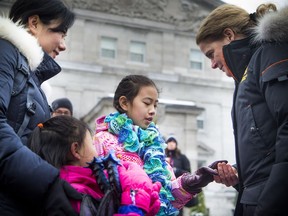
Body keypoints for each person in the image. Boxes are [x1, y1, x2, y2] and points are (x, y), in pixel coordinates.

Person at [196, 3, 288, 216]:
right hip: (255, 199)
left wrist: (268, 206)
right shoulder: (246, 75)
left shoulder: (270, 54)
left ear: (229, 35)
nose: (211, 64)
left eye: (211, 53)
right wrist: (241, 174)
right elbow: (267, 145)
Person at [93, 74, 227, 215]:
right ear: (124, 103)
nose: (152, 110)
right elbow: (96, 192)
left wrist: (190, 184)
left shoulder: (155, 147)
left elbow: (169, 199)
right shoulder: (102, 140)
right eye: (147, 103)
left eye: (155, 105)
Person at [0, 0, 80, 215]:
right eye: (61, 33)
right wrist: (48, 182)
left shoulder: (32, 78)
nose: (63, 45)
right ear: (34, 23)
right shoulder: (4, 53)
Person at [27, 115, 162, 216]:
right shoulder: (72, 195)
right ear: (76, 150)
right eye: (91, 144)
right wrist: (135, 197)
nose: (96, 149)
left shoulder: (91, 183)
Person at [165, 136, 198, 216]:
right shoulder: (163, 156)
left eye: (173, 142)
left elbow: (188, 173)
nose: (171, 144)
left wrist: (176, 170)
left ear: (176, 144)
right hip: (165, 187)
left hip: (178, 188)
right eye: (169, 142)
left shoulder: (182, 158)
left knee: (177, 210)